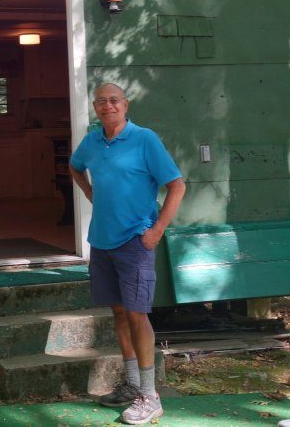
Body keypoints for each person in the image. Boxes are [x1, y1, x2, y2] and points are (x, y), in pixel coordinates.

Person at [69, 83, 186, 425]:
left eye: (114, 100)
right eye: (102, 102)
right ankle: (133, 385)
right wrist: (91, 193)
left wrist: (158, 229)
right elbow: (75, 167)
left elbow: (177, 184)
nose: (108, 106)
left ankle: (150, 397)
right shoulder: (91, 142)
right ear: (95, 107)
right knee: (119, 313)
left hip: (135, 241)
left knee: (137, 315)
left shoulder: (145, 139)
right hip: (101, 241)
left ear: (126, 104)